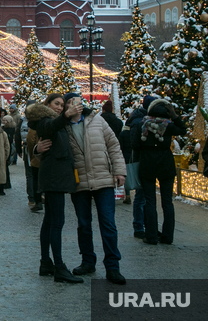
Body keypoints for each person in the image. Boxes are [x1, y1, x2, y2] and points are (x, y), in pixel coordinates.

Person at [62, 93, 127, 285]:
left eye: (77, 101)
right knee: (83, 224)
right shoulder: (63, 127)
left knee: (108, 223)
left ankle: (113, 266)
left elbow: (114, 145)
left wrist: (120, 171)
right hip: (79, 182)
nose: (75, 105)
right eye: (70, 102)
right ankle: (88, 260)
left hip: (103, 179)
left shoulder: (96, 121)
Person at [26, 94, 83, 284]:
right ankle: (59, 266)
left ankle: (46, 262)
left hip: (55, 176)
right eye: (56, 104)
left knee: (50, 220)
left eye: (62, 104)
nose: (59, 107)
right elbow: (51, 127)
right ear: (47, 105)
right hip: (54, 178)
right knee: (57, 222)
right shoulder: (45, 120)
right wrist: (66, 115)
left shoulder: (50, 121)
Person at [131, 98, 187, 245]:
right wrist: (174, 116)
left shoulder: (142, 124)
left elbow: (135, 145)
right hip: (166, 163)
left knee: (150, 201)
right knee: (167, 201)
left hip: (147, 164)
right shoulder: (168, 125)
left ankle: (151, 236)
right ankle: (168, 236)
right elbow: (183, 130)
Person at [120, 95, 155, 235]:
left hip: (143, 161)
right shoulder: (139, 121)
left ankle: (146, 225)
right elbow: (135, 143)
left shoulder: (139, 119)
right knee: (141, 197)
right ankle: (139, 227)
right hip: (141, 162)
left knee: (145, 197)